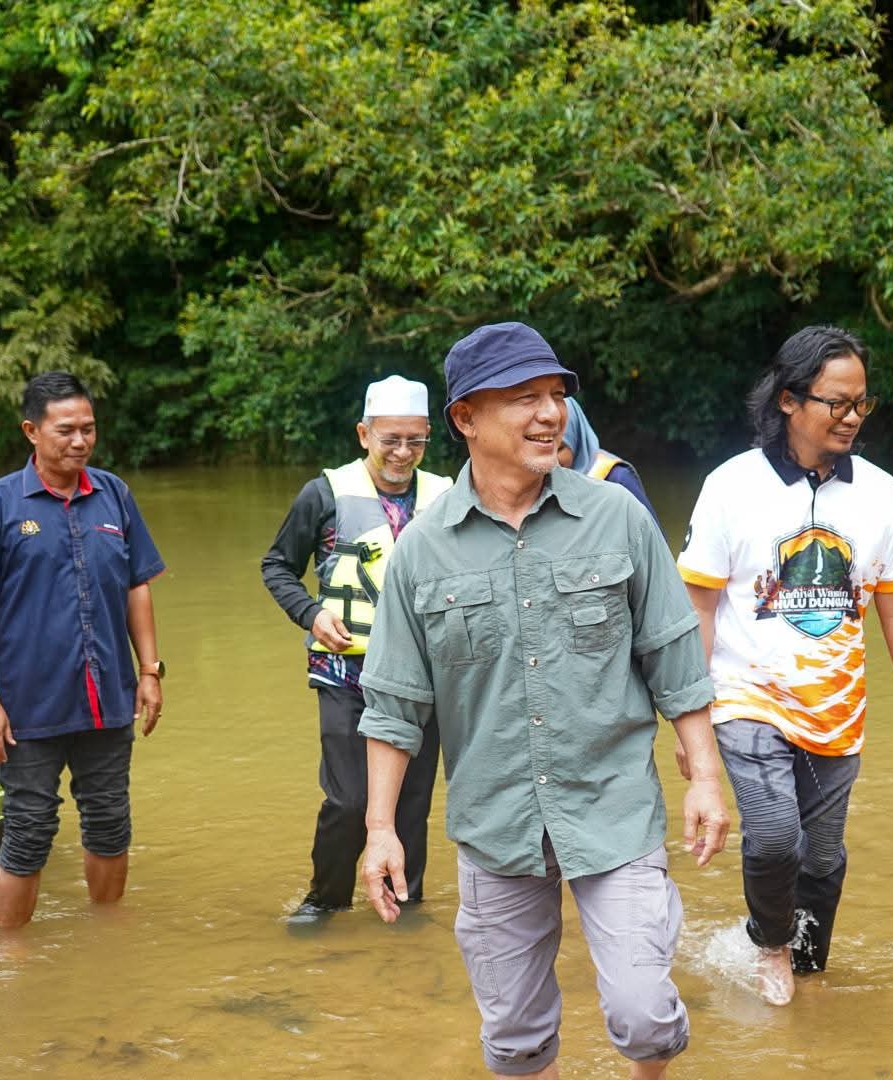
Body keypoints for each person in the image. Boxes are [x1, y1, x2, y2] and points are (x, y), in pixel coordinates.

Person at [358, 323, 731, 1080]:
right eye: (524, 398)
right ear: (465, 418)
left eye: (556, 396)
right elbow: (394, 704)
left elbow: (673, 657)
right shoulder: (422, 552)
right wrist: (380, 830)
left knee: (644, 1017)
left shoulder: (616, 517)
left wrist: (703, 776)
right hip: (496, 825)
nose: (549, 414)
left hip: (614, 810)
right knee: (516, 1042)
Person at [675, 325, 893, 1006]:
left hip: (836, 705)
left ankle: (803, 976)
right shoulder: (731, 487)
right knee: (772, 841)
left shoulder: (881, 494)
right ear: (791, 400)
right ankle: (768, 945)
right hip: (745, 697)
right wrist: (693, 727)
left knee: (820, 861)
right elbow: (698, 608)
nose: (853, 418)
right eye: (837, 403)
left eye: (862, 404)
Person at [0, 371, 165, 929]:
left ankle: (105, 939)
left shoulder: (114, 494)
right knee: (29, 827)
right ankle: (12, 959)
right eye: (66, 430)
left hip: (106, 696)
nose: (80, 441)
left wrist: (150, 671)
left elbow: (138, 585)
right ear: (31, 432)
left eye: (88, 428)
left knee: (111, 821)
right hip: (28, 707)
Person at [260, 375, 453, 925]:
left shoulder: (446, 495)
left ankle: (403, 901)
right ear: (363, 434)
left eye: (415, 441)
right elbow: (277, 565)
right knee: (348, 800)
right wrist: (312, 614)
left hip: (423, 675)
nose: (403, 453)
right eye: (390, 439)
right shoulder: (324, 493)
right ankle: (326, 898)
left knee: (411, 800)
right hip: (346, 671)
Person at [558, 398, 660, 524]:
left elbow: (653, 539)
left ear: (576, 440)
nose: (550, 459)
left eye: (559, 449)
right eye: (544, 445)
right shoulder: (538, 484)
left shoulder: (617, 478)